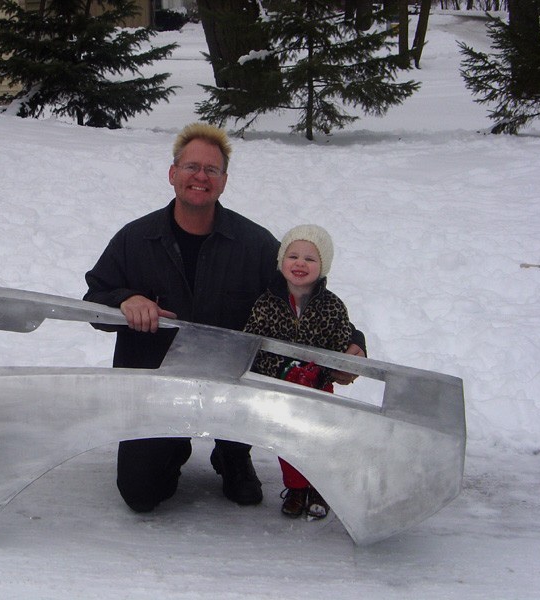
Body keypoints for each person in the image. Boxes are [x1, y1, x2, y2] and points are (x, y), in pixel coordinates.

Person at [84, 123, 365, 514]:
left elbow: (303, 298)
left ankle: (232, 451)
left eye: (211, 169)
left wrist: (351, 342)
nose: (200, 176)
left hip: (235, 392)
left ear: (224, 181)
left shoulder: (254, 245)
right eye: (191, 167)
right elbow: (94, 298)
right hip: (158, 392)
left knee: (244, 489)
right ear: (173, 173)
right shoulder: (136, 239)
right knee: (141, 495)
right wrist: (125, 299)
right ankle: (173, 442)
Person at [243, 224, 359, 520]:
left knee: (319, 439)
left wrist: (330, 371)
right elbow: (252, 341)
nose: (300, 264)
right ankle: (295, 489)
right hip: (281, 387)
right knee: (288, 440)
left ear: (323, 266)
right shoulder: (267, 302)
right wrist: (269, 372)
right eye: (293, 256)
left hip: (318, 388)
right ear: (282, 261)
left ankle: (319, 488)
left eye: (310, 259)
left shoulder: (332, 307)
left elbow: (340, 344)